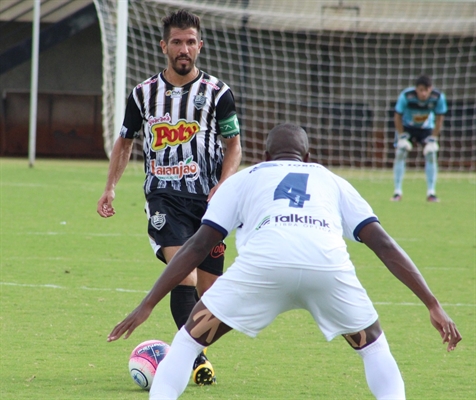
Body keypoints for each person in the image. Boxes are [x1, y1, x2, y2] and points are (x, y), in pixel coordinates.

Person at [107, 123, 461, 400]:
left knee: (187, 343)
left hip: (264, 268)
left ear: (264, 155)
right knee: (373, 347)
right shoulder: (331, 180)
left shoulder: (245, 178)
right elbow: (383, 245)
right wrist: (432, 304)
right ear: (307, 157)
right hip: (327, 268)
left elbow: (198, 246)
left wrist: (147, 304)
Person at [97, 9, 242, 385]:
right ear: (164, 46)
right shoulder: (143, 94)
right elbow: (125, 141)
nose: (184, 48)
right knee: (185, 277)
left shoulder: (218, 93)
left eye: (190, 41)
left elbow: (234, 146)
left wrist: (224, 183)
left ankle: (190, 349)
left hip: (209, 205)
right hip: (164, 199)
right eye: (176, 41)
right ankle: (194, 360)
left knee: (209, 296)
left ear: (200, 45)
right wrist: (111, 186)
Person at [391, 75, 447, 202]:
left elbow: (439, 119)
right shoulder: (406, 96)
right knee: (400, 152)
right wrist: (401, 136)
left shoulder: (438, 97)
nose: (423, 93)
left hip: (426, 128)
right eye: (421, 90)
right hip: (407, 127)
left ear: (430, 89)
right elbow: (397, 116)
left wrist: (434, 137)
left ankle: (431, 193)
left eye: (426, 90)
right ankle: (397, 192)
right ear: (416, 89)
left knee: (431, 153)